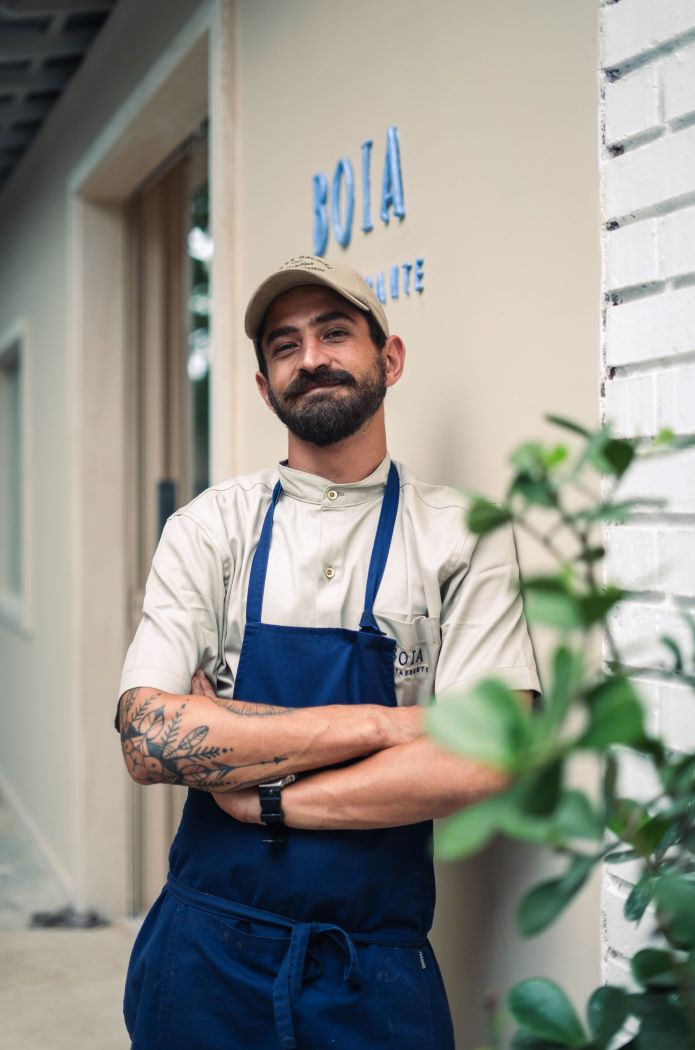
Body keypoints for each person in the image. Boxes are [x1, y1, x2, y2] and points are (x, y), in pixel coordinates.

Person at [116, 254, 542, 1050]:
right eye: (284, 345)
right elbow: (147, 736)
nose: (309, 358)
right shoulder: (209, 530)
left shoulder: (462, 534)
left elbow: (485, 757)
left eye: (334, 333)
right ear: (263, 384)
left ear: (390, 358)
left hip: (375, 968)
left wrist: (265, 793)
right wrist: (397, 727)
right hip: (205, 951)